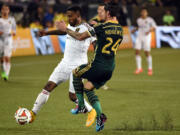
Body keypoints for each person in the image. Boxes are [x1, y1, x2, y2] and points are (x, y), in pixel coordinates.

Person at [56, 3, 123, 132]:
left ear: (108, 13)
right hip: (110, 68)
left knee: (75, 72)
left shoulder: (102, 27)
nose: (101, 14)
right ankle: (100, 117)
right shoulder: (120, 29)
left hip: (98, 65)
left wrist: (66, 29)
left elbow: (80, 37)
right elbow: (103, 40)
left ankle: (81, 106)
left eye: (103, 12)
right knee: (88, 88)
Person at [29, 5, 96, 127]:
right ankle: (32, 114)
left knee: (72, 96)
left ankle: (91, 111)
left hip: (79, 66)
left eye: (71, 16)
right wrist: (47, 32)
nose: (69, 18)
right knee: (48, 86)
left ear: (78, 15)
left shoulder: (87, 28)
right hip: (65, 63)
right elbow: (63, 31)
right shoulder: (70, 26)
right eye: (67, 16)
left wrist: (96, 60)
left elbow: (93, 42)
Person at [89, 3, 109, 90]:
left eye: (101, 10)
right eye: (98, 10)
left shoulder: (108, 20)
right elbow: (90, 29)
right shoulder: (95, 20)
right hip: (98, 45)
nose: (99, 11)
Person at [131, 8, 156, 75]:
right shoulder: (138, 20)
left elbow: (154, 27)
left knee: (146, 52)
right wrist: (134, 30)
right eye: (142, 12)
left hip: (146, 37)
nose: (143, 13)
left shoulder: (150, 20)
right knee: (136, 52)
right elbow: (138, 27)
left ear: (147, 13)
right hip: (139, 37)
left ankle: (150, 69)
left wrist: (150, 30)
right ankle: (139, 68)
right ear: (141, 13)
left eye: (145, 12)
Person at [0, 4, 16, 81]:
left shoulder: (12, 19)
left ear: (9, 11)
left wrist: (14, 33)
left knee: (7, 57)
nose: (5, 11)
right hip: (0, 39)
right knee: (1, 59)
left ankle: (6, 74)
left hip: (8, 39)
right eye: (4, 9)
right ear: (1, 11)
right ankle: (3, 71)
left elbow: (14, 30)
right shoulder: (0, 20)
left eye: (7, 9)